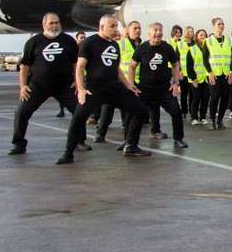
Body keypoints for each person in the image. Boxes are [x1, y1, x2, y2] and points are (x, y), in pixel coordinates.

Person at [58, 15, 150, 164]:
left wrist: (128, 85)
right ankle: (68, 153)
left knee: (140, 111)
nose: (115, 30)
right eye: (112, 26)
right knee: (78, 118)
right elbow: (80, 68)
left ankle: (131, 146)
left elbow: (117, 68)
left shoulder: (114, 45)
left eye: (116, 26)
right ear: (102, 27)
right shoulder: (89, 43)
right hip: (95, 89)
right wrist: (81, 89)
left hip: (114, 88)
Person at [9, 13, 80, 155]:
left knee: (79, 111)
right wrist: (23, 86)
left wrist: (78, 82)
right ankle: (19, 144)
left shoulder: (68, 41)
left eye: (57, 23)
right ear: (44, 25)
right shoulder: (33, 42)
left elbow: (76, 63)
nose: (55, 26)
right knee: (21, 112)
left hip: (64, 85)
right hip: (38, 85)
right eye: (51, 23)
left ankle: (80, 141)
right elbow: (25, 66)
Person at [132, 22, 188, 149]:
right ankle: (130, 142)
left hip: (164, 88)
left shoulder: (167, 48)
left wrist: (175, 82)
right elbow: (132, 66)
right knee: (136, 114)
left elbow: (175, 64)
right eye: (155, 30)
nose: (158, 33)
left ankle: (178, 139)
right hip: (145, 88)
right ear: (149, 33)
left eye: (160, 30)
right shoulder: (142, 48)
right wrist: (131, 85)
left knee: (176, 111)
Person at [94, 20, 141, 143]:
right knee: (108, 108)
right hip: (119, 80)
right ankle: (101, 133)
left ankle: (127, 137)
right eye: (135, 28)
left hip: (134, 81)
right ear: (128, 31)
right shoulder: (121, 44)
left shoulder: (141, 44)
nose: (137, 30)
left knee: (128, 111)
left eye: (139, 28)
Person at [204, 18, 232, 129]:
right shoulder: (208, 41)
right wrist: (210, 72)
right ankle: (212, 119)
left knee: (225, 97)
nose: (221, 26)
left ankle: (220, 120)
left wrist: (231, 72)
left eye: (222, 23)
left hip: (226, 74)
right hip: (214, 74)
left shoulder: (229, 41)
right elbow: (205, 59)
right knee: (215, 97)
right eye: (218, 24)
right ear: (214, 26)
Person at [186, 29, 210, 126]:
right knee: (196, 98)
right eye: (200, 35)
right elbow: (189, 66)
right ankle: (194, 117)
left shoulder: (209, 48)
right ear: (196, 37)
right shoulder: (192, 49)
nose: (202, 37)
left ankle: (203, 117)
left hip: (206, 79)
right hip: (196, 79)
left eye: (204, 35)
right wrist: (193, 78)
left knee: (205, 98)